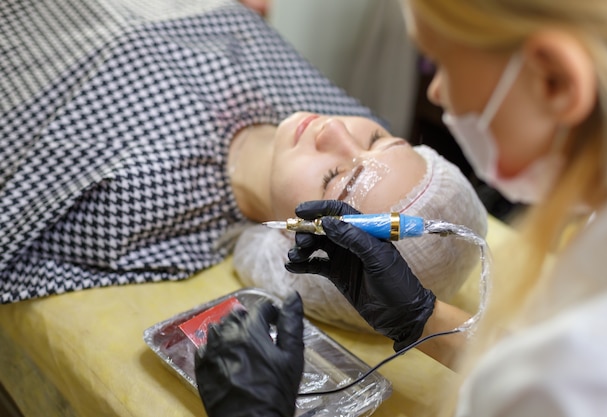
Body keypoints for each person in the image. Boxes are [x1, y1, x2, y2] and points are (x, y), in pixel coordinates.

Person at [194, 0, 607, 416]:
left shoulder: (580, 375)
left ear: (555, 80)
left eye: (443, 61)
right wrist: (422, 318)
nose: (436, 92)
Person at [0, 0, 486, 308]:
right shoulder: (333, 111)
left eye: (336, 178)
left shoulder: (129, 203)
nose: (336, 130)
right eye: (379, 138)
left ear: (301, 251)